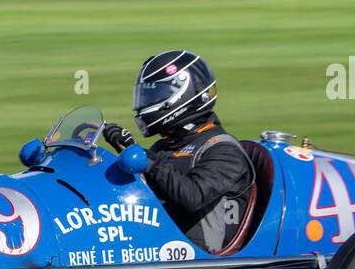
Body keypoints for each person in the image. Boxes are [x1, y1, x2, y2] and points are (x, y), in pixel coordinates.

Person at [102, 51, 254, 255]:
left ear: (184, 94)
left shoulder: (223, 149)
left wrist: (145, 160)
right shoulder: (164, 147)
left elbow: (192, 196)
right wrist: (128, 148)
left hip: (200, 262)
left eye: (155, 96)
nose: (146, 103)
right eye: (146, 95)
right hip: (156, 246)